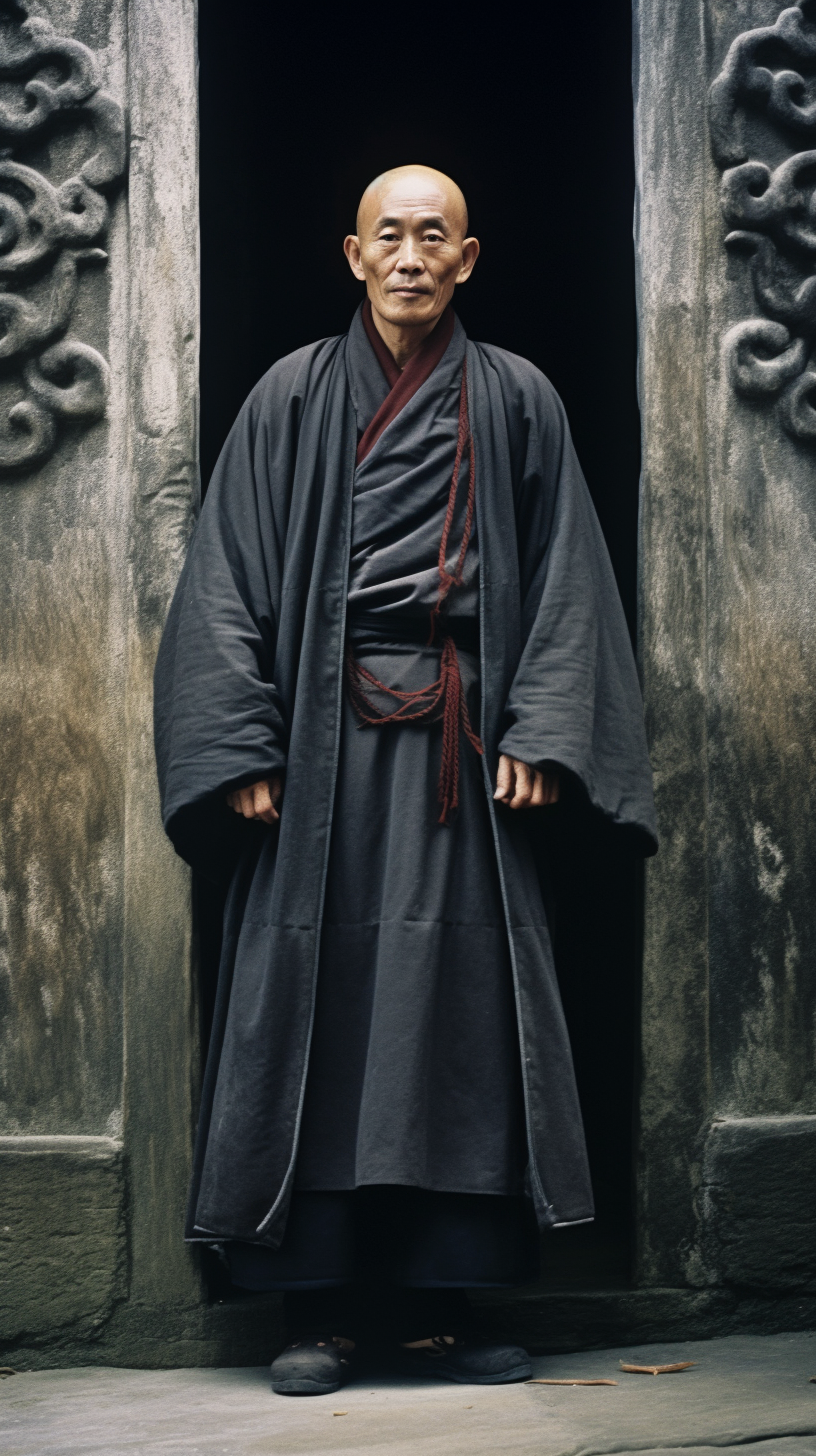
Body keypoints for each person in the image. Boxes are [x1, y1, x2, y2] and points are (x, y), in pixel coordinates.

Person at [154, 165, 656, 1396]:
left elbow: (567, 575)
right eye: (392, 234)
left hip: (464, 756)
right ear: (353, 252)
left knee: (458, 1016)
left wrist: (542, 721)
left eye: (436, 235)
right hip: (318, 752)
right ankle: (316, 1310)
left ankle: (442, 1302)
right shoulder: (290, 397)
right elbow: (222, 579)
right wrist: (243, 746)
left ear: (469, 257)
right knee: (313, 1009)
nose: (413, 255)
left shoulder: (519, 398)